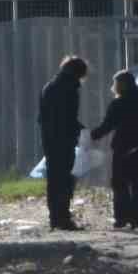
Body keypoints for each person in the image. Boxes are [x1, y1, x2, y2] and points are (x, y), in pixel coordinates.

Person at [89, 70, 138, 230]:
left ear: (123, 84)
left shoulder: (118, 104)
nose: (113, 87)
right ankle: (137, 220)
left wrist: (91, 136)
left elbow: (107, 126)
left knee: (120, 184)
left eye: (115, 84)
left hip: (124, 149)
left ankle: (122, 218)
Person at [39, 55, 89, 231]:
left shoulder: (49, 87)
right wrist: (83, 131)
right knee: (65, 179)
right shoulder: (70, 88)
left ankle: (55, 219)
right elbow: (68, 118)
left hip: (49, 140)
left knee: (54, 179)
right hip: (64, 140)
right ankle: (64, 218)